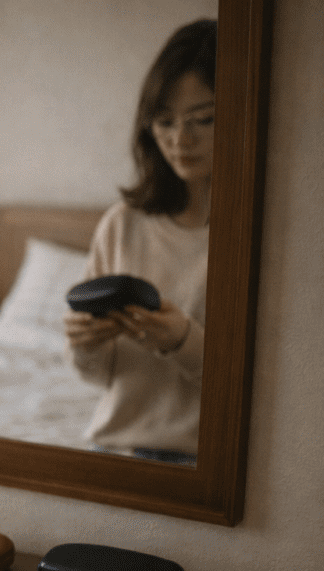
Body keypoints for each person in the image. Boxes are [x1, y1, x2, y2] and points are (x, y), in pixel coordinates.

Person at [65, 19, 217, 466]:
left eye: (203, 120)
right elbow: (96, 377)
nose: (179, 140)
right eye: (164, 121)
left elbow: (263, 392)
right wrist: (85, 345)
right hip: (116, 449)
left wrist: (182, 340)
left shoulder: (260, 237)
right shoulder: (122, 223)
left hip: (205, 466)